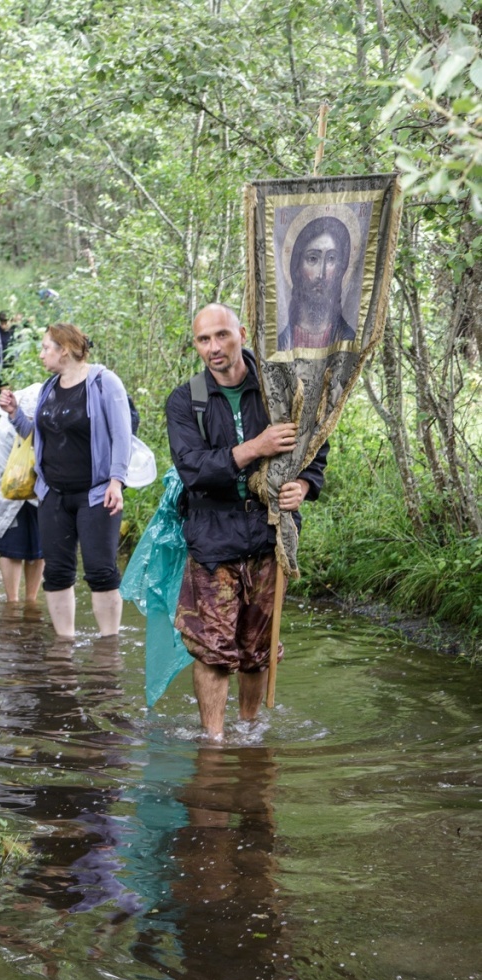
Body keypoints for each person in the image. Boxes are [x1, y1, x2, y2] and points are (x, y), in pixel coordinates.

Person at [166, 304, 328, 738]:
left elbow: (314, 448)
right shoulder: (187, 399)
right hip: (211, 538)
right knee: (213, 652)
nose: (214, 348)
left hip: (268, 535)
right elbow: (193, 468)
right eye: (204, 339)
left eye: (222, 335)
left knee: (257, 651)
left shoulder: (279, 387)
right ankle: (215, 744)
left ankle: (250, 733)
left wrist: (305, 486)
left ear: (241, 332)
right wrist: (255, 447)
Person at [0, 323, 132, 638]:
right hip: (53, 494)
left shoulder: (104, 382)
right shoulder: (49, 386)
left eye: (46, 347)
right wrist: (16, 414)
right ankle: (64, 646)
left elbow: (122, 435)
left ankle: (108, 646)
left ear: (65, 350)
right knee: (57, 572)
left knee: (101, 571)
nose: (42, 353)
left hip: (97, 494)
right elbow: (38, 436)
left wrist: (117, 481)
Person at [0, 383, 45, 602]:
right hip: (7, 494)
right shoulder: (7, 427)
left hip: (38, 497)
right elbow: (1, 469)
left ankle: (31, 599)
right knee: (11, 549)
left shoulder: (47, 427)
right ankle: (12, 601)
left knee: (38, 551)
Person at [277, 215, 356, 351]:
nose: (322, 274)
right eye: (313, 258)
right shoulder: (281, 342)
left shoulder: (348, 339)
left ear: (339, 269)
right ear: (297, 267)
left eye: (331, 258)